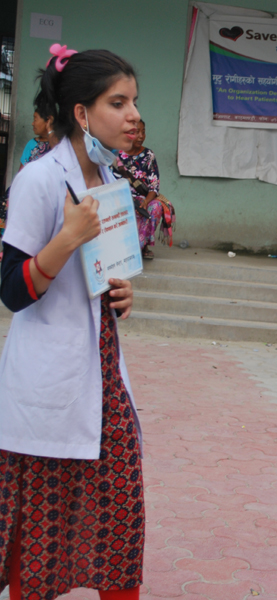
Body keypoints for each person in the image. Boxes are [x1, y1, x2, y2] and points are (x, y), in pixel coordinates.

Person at [0, 45, 142, 600]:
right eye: (118, 102)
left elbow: (101, 271)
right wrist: (66, 238)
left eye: (134, 101)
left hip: (103, 373)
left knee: (121, 512)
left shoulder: (108, 179)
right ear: (82, 113)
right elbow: (13, 291)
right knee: (40, 523)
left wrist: (120, 291)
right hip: (49, 381)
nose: (133, 115)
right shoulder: (38, 180)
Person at [114, 119, 161, 259]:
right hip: (120, 198)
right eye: (136, 132)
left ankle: (142, 245)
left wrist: (146, 201)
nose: (141, 136)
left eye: (143, 132)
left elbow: (154, 185)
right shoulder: (116, 155)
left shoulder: (148, 155)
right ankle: (121, 248)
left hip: (141, 199)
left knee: (155, 207)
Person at [19, 103, 56, 170]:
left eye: (35, 120)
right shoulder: (31, 144)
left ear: (48, 120)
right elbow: (21, 173)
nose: (32, 123)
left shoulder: (59, 144)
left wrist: (50, 131)